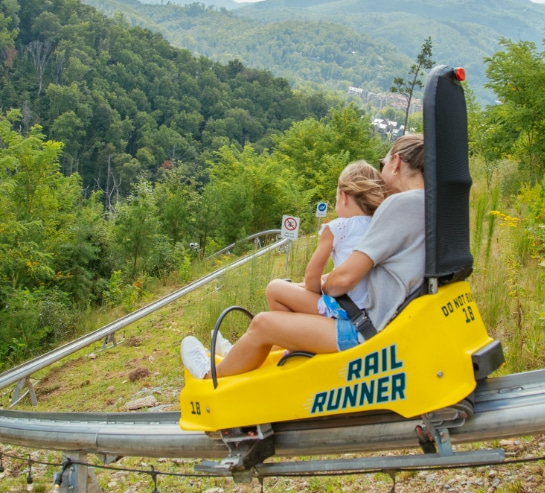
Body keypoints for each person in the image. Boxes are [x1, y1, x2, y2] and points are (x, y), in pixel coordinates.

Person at [181, 134, 425, 379]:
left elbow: (343, 280)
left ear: (396, 162)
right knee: (282, 297)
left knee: (263, 323)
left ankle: (209, 374)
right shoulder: (426, 204)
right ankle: (245, 353)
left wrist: (324, 286)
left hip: (364, 328)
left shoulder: (402, 205)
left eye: (383, 165)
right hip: (374, 317)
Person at [264, 160, 386, 319]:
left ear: (344, 197)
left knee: (275, 289)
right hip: (368, 310)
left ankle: (292, 339)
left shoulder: (338, 228)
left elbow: (311, 277)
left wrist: (312, 296)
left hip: (344, 309)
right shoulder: (381, 225)